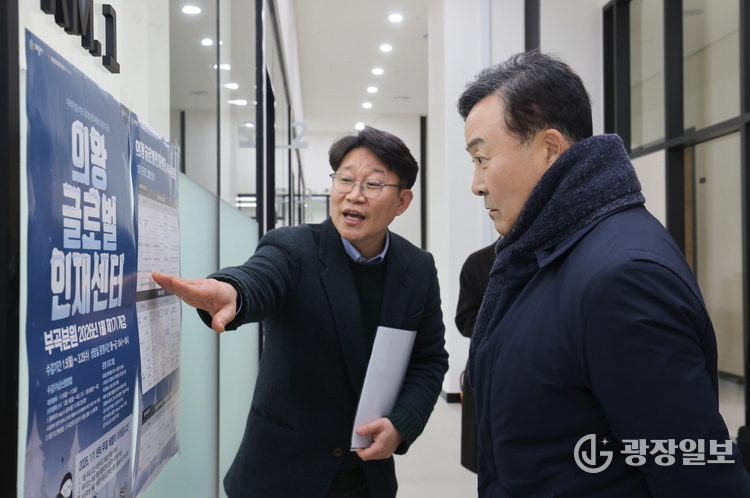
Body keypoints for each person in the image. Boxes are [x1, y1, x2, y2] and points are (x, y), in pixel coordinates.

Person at [457, 50, 750, 497]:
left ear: (549, 149)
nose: (476, 184)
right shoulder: (545, 253)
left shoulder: (623, 279)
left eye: (482, 159)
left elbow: (697, 478)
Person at [152, 126, 449, 498]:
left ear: (403, 201)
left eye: (372, 185)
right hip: (281, 475)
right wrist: (233, 291)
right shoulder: (293, 248)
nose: (354, 195)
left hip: (367, 478)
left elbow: (429, 359)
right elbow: (262, 277)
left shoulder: (417, 268)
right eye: (345, 179)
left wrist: (403, 423)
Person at [455, 242, 495, 473]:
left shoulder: (550, 257)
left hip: (537, 372)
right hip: (486, 368)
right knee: (485, 458)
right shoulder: (478, 263)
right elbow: (465, 319)